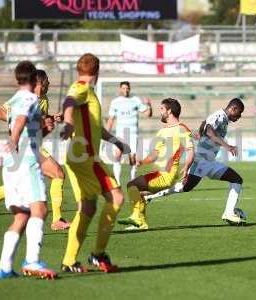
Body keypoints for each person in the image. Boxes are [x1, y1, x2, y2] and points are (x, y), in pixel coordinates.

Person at [0, 70, 70, 231]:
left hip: (32, 144)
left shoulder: (43, 100)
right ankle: (56, 219)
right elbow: (1, 112)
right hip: (22, 144)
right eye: (46, 81)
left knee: (16, 187)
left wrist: (50, 118)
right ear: (39, 82)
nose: (48, 84)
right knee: (58, 174)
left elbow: (39, 119)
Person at [59, 53, 129, 273]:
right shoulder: (81, 87)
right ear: (97, 72)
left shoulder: (87, 92)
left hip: (81, 158)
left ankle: (69, 261)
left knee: (88, 208)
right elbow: (69, 101)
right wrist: (69, 121)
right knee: (116, 197)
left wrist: (117, 141)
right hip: (86, 158)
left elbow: (97, 127)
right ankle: (98, 254)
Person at [0, 61, 57, 279]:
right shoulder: (30, 98)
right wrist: (13, 140)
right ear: (34, 78)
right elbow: (21, 119)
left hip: (12, 164)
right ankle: (32, 261)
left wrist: (46, 130)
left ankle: (4, 266)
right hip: (26, 162)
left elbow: (27, 130)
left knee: (22, 216)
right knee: (40, 210)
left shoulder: (14, 99)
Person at [145, 98, 246, 225]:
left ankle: (229, 213)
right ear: (233, 109)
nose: (239, 116)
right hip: (202, 161)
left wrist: (199, 133)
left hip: (209, 161)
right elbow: (209, 130)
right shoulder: (219, 116)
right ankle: (150, 196)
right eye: (239, 113)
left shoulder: (222, 118)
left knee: (235, 179)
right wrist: (227, 146)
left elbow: (204, 123)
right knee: (185, 187)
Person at [118, 98, 194, 230]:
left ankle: (137, 218)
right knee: (136, 190)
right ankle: (141, 223)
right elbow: (155, 155)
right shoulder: (163, 131)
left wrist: (186, 168)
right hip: (158, 173)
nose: (160, 112)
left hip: (167, 174)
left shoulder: (182, 129)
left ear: (169, 111)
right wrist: (141, 161)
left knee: (133, 185)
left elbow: (191, 150)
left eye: (162, 109)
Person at [105, 81, 152, 184]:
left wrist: (148, 105)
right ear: (120, 89)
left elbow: (148, 114)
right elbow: (110, 120)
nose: (125, 90)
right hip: (120, 134)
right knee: (117, 155)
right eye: (123, 88)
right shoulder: (115, 102)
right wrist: (105, 134)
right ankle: (117, 182)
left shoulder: (135, 100)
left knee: (132, 158)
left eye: (127, 88)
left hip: (133, 134)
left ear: (129, 89)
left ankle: (132, 180)